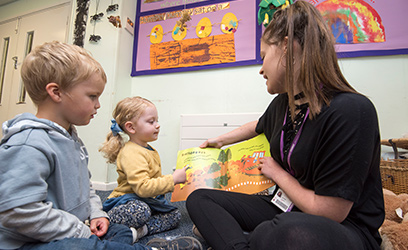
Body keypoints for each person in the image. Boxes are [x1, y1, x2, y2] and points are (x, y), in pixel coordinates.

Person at [186, 1, 385, 250]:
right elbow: (257, 125)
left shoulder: (351, 111)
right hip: (287, 206)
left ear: (287, 48)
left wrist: (277, 173)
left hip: (342, 228)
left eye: (263, 57)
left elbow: (331, 212)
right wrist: (222, 140)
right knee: (199, 199)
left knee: (283, 231)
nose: (260, 69)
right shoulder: (283, 103)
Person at [0, 41, 201, 250]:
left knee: (119, 232)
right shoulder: (28, 143)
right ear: (56, 92)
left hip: (74, 228)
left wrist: (97, 214)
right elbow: (19, 210)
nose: (98, 105)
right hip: (30, 242)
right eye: (92, 96)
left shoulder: (71, 139)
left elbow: (86, 188)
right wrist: (80, 232)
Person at [99, 96, 187, 241]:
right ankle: (108, 220)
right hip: (126, 201)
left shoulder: (147, 148)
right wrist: (172, 180)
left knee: (174, 215)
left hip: (147, 199)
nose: (157, 125)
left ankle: (140, 231)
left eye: (157, 121)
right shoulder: (131, 152)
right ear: (131, 127)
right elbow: (143, 188)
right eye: (151, 122)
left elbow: (152, 180)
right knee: (140, 211)